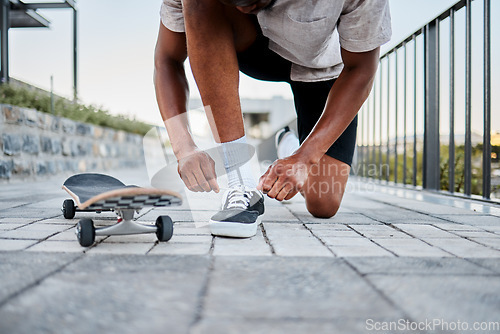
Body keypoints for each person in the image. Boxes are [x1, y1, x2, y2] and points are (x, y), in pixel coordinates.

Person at [154, 0, 391, 238]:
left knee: (323, 202)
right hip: (253, 47)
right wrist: (183, 147)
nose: (245, 8)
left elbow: (361, 69)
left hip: (320, 68)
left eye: (253, 1)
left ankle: (290, 145)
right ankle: (242, 183)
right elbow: (167, 60)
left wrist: (304, 158)